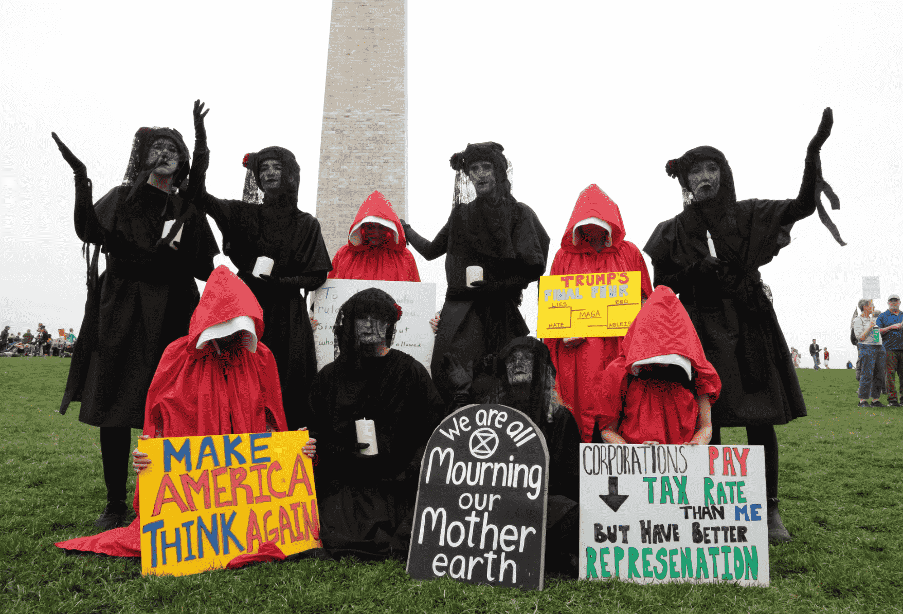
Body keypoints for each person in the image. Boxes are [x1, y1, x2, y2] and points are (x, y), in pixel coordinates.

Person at [643, 108, 836, 543]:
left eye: (712, 168)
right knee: (707, 421)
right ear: (686, 182)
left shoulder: (750, 214)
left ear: (724, 174)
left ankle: (769, 511)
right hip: (701, 331)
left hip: (748, 325)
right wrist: (695, 274)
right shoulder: (671, 231)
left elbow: (803, 205)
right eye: (696, 171)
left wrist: (813, 153)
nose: (704, 176)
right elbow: (662, 288)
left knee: (758, 417)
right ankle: (712, 505)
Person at [55, 266, 313, 559]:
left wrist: (290, 450)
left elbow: (271, 419)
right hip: (195, 487)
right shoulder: (177, 356)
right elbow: (158, 418)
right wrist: (151, 456)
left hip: (246, 490)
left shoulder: (261, 358)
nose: (232, 338)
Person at [53, 120, 218, 530]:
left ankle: (173, 496)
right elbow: (88, 230)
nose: (164, 154)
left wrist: (178, 249)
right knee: (115, 400)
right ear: (143, 156)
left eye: (172, 150)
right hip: (123, 306)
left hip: (173, 309)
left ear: (182, 163)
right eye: (157, 148)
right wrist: (81, 179)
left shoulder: (187, 209)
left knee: (173, 404)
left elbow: (203, 267)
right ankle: (114, 503)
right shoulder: (121, 198)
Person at [191, 102, 332, 430]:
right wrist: (201, 141)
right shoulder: (242, 213)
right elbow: (198, 195)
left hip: (286, 315)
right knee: (241, 385)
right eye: (263, 167)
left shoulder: (305, 223)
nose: (269, 172)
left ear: (289, 174)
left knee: (286, 386)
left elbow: (316, 274)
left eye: (276, 167)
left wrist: (278, 284)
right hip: (244, 309)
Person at [402, 142, 550, 403]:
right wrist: (406, 229)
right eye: (474, 169)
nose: (480, 174)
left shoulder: (519, 213)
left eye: (486, 167)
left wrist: (495, 286)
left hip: (501, 314)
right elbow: (431, 250)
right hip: (462, 315)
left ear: (498, 172)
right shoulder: (461, 215)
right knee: (455, 380)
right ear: (468, 175)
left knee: (505, 387)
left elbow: (534, 266)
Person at [308, 288, 445, 560]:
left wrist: (409, 472)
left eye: (378, 317)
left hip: (396, 483)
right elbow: (316, 431)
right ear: (350, 324)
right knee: (336, 532)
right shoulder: (330, 377)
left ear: (390, 324)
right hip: (346, 482)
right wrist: (311, 445)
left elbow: (434, 429)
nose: (370, 325)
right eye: (362, 318)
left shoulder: (410, 372)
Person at [445, 336, 581, 575]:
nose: (517, 363)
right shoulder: (490, 414)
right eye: (511, 359)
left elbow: (570, 480)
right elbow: (459, 454)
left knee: (574, 514)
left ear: (540, 367)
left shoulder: (560, 418)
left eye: (526, 358)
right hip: (493, 505)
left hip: (539, 504)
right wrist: (462, 394)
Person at [543, 184, 653, 441]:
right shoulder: (563, 257)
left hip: (621, 349)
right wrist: (562, 331)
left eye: (598, 225)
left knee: (622, 412)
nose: (592, 232)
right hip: (578, 357)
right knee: (577, 421)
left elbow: (648, 299)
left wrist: (636, 311)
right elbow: (553, 308)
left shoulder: (630, 253)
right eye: (586, 226)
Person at [596, 286, 720, 447]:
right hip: (633, 465)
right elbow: (607, 430)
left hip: (684, 465)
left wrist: (695, 445)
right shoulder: (620, 372)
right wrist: (635, 451)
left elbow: (706, 427)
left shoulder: (699, 372)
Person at [329, 190, 420, 282]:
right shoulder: (344, 255)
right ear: (362, 226)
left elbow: (414, 292)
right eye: (370, 226)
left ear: (388, 228)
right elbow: (330, 290)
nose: (376, 232)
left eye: (381, 227)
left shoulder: (404, 257)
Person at [853, 299, 887, 407]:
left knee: (880, 374)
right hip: (866, 347)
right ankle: (862, 400)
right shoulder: (858, 320)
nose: (873, 306)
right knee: (867, 374)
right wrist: (870, 327)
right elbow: (860, 337)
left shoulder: (874, 319)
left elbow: (877, 335)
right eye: (871, 305)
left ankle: (875, 400)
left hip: (879, 347)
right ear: (865, 307)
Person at [875, 294, 903, 407]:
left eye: (896, 301)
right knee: (890, 375)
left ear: (899, 302)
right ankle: (892, 400)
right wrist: (891, 327)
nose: (894, 303)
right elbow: (876, 333)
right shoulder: (882, 316)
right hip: (889, 350)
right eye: (891, 301)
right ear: (888, 303)